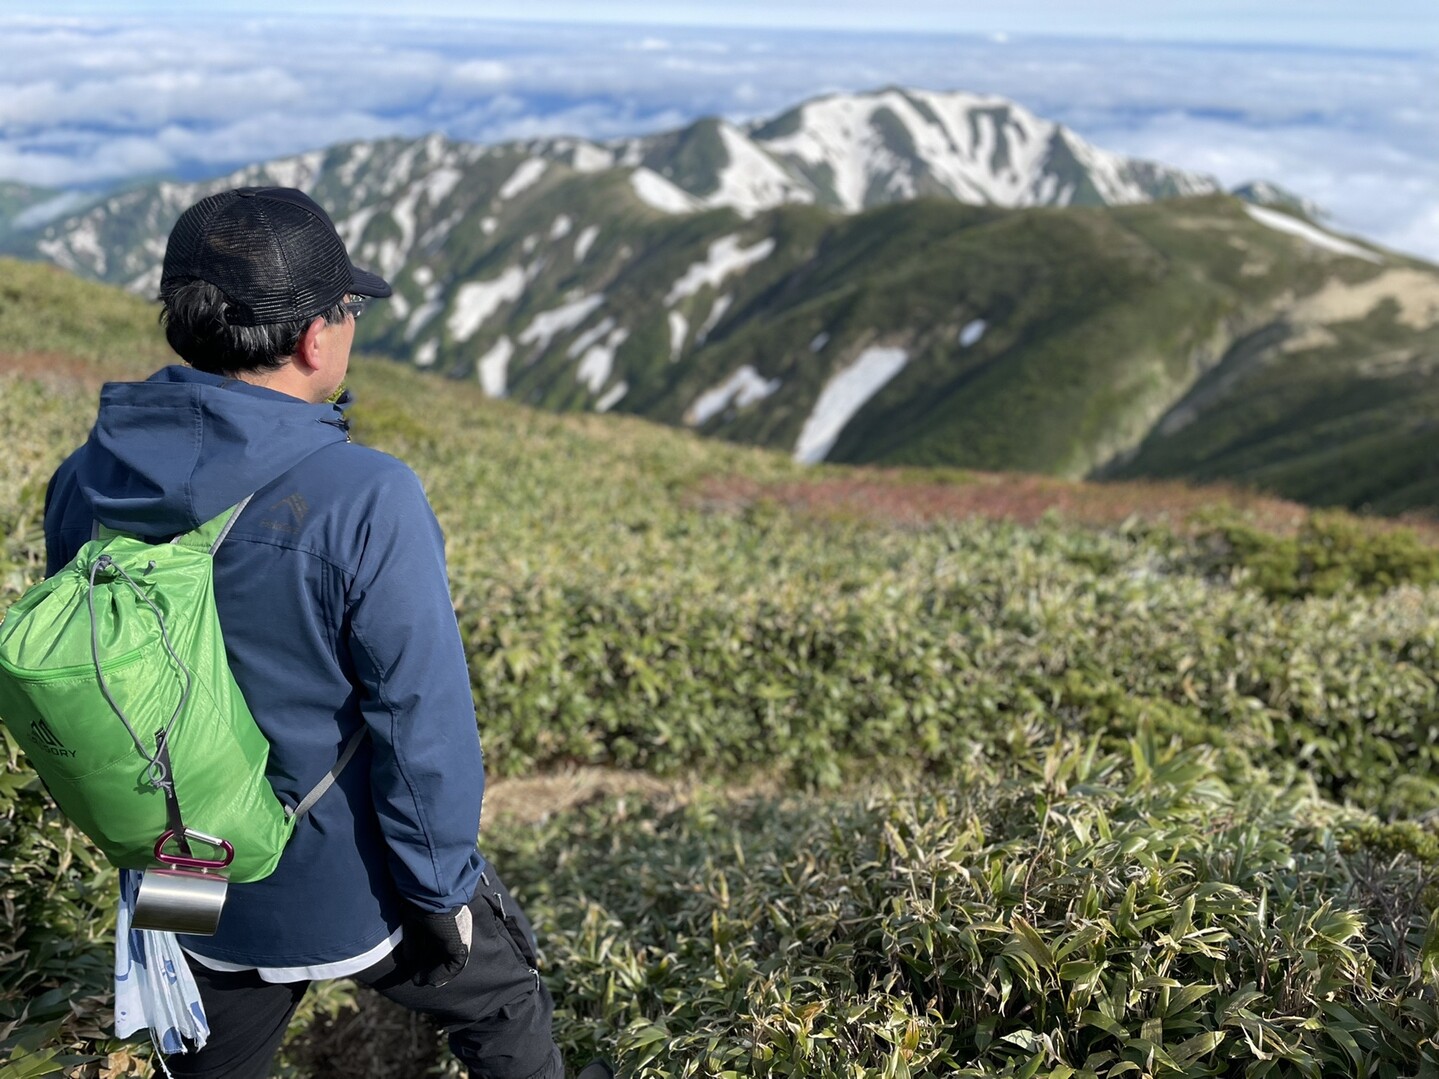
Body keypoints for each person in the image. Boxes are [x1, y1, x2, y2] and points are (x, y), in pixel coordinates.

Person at [43, 187, 601, 1079]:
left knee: (210, 1059)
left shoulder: (83, 479)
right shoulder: (368, 496)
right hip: (344, 883)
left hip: (183, 871)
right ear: (314, 337)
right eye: (348, 309)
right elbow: (420, 728)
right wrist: (441, 894)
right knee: (503, 1002)